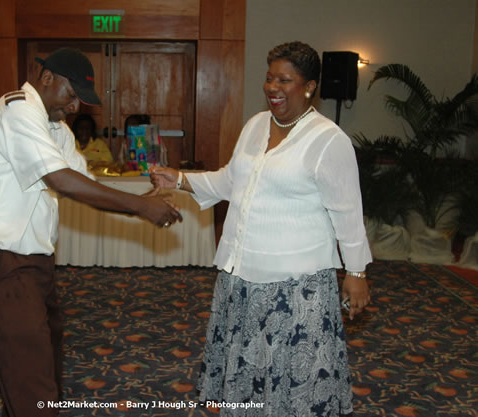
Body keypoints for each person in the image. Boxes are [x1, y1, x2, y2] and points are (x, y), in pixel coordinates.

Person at [150, 41, 371, 416]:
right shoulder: (255, 125)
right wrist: (181, 180)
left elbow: (347, 210)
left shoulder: (328, 140)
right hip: (243, 275)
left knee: (292, 378)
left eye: (285, 80)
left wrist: (356, 272)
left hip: (295, 285)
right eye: (269, 78)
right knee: (250, 375)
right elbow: (231, 181)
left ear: (309, 86)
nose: (273, 88)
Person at [0, 47, 181, 417]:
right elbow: (62, 181)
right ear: (47, 78)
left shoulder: (55, 126)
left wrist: (142, 199)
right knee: (28, 369)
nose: (76, 107)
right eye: (72, 94)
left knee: (45, 354)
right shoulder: (16, 110)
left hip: (33, 259)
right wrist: (141, 208)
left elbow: (84, 180)